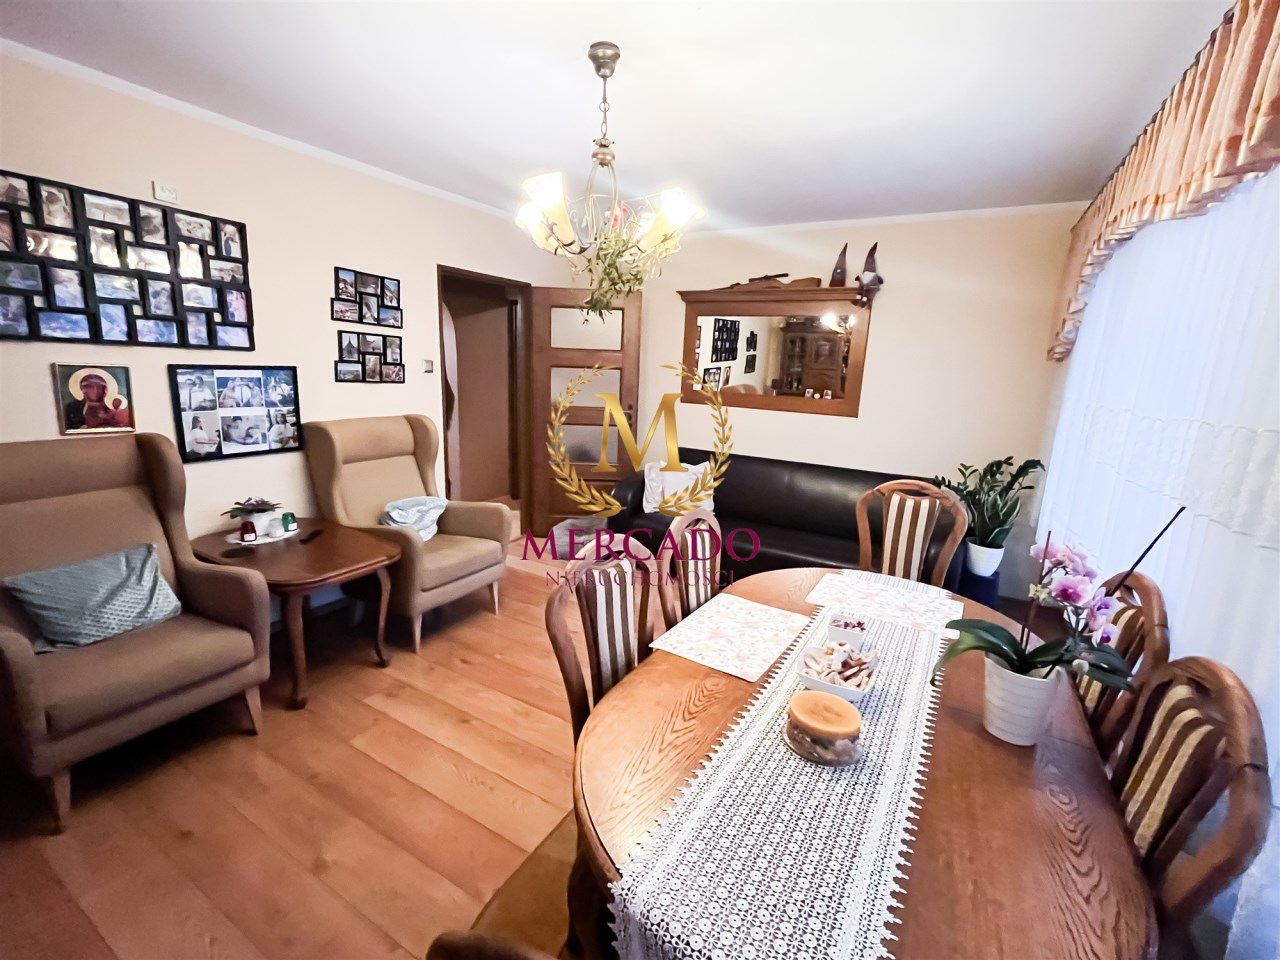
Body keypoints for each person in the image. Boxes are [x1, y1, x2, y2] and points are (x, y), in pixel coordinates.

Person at [63, 372, 130, 431]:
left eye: (99, 387)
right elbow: (70, 426)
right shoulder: (72, 408)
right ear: (83, 389)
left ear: (105, 390)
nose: (96, 391)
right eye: (91, 387)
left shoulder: (109, 407)